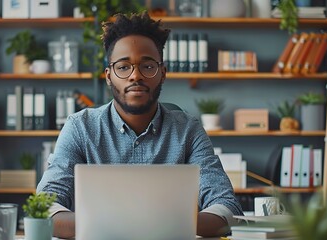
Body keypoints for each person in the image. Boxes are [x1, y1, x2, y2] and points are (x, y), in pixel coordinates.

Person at [36, 11, 243, 239]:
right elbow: (44, 207)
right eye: (123, 67)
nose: (135, 76)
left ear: (162, 73)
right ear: (108, 76)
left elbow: (227, 208)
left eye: (147, 66)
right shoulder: (79, 128)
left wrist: (150, 224)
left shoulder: (188, 130)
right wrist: (130, 223)